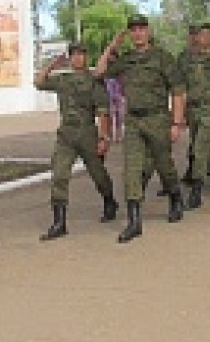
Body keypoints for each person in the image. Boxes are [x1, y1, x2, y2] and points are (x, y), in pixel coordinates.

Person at [94, 14, 187, 243]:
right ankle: (134, 222)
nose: (137, 33)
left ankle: (175, 196)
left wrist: (177, 123)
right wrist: (113, 46)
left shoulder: (162, 58)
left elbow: (177, 90)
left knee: (164, 165)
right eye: (133, 30)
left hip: (158, 118)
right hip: (134, 121)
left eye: (141, 29)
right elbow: (99, 72)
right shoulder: (126, 60)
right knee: (132, 169)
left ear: (148, 31)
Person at [34, 43, 119, 241]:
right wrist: (52, 65)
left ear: (86, 57)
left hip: (87, 134)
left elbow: (103, 112)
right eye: (74, 55)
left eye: (81, 54)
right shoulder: (63, 79)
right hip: (66, 135)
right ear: (70, 58)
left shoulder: (94, 81)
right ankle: (59, 223)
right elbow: (38, 82)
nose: (78, 58)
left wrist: (104, 138)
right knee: (59, 175)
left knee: (98, 174)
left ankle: (109, 200)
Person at [177, 22, 210, 207]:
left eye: (207, 34)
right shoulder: (186, 59)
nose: (203, 38)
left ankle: (196, 190)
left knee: (199, 148)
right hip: (192, 109)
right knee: (200, 147)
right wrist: (181, 113)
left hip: (209, 108)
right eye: (201, 34)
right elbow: (182, 87)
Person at [105, 76, 126, 143]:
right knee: (114, 119)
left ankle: (119, 136)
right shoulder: (108, 80)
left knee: (119, 119)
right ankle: (114, 136)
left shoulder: (112, 80)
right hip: (114, 99)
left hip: (118, 99)